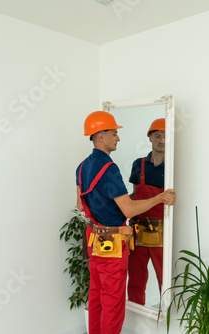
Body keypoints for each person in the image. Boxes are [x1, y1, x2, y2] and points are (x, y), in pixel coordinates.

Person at [76, 111, 176, 334]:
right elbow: (129, 209)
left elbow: (81, 206)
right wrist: (160, 197)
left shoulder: (82, 166)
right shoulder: (109, 169)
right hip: (113, 243)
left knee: (97, 297)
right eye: (114, 133)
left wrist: (105, 206)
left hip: (95, 240)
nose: (118, 138)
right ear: (100, 136)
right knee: (113, 302)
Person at [127, 118, 166, 306]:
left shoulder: (173, 166)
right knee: (135, 278)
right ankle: (136, 315)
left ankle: (168, 320)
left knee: (164, 278)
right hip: (138, 230)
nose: (162, 141)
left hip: (162, 231)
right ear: (150, 137)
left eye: (166, 137)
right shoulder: (138, 164)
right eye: (158, 136)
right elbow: (135, 195)